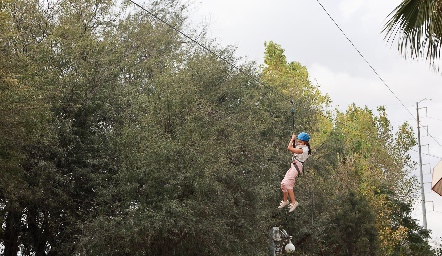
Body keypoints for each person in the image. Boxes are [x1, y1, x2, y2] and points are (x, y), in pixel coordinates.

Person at [278, 132, 311, 212]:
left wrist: (292, 139)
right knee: (283, 184)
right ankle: (285, 201)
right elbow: (293, 151)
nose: (299, 143)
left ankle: (294, 202)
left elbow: (289, 148)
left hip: (297, 167)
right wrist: (293, 142)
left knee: (288, 184)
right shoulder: (301, 147)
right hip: (293, 166)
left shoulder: (304, 149)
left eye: (300, 142)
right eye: (298, 141)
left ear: (305, 142)